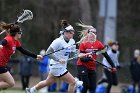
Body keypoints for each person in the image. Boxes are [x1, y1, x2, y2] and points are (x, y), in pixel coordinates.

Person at [26, 20, 83, 93]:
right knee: (72, 82)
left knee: (48, 82)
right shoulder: (58, 41)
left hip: (62, 66)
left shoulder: (72, 41)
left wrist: (78, 53)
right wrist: (58, 59)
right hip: (56, 66)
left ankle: (31, 90)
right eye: (71, 32)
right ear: (65, 32)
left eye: (73, 32)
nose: (72, 34)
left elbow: (72, 53)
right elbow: (48, 52)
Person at [0, 22, 43, 89]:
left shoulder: (16, 42)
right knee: (11, 83)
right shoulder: (9, 39)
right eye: (20, 32)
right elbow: (3, 41)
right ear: (17, 33)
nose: (21, 34)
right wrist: (1, 45)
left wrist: (36, 56)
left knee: (5, 83)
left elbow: (24, 51)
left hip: (2, 65)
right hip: (0, 65)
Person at [76, 23, 117, 93]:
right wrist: (88, 58)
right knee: (86, 85)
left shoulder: (99, 44)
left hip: (91, 67)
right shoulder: (83, 43)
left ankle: (77, 83)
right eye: (91, 32)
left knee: (93, 87)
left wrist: (113, 66)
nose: (93, 34)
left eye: (94, 32)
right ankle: (77, 84)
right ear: (88, 34)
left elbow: (106, 56)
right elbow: (82, 58)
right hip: (82, 65)